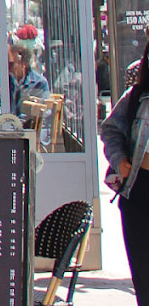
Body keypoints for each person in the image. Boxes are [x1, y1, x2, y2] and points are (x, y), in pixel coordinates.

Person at [101, 42, 149, 301]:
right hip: (139, 193)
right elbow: (111, 130)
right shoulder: (137, 97)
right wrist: (120, 160)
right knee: (144, 275)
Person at [8, 42, 50, 113]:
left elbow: (45, 111)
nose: (8, 67)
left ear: (24, 64)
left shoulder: (39, 83)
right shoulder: (8, 80)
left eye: (11, 64)